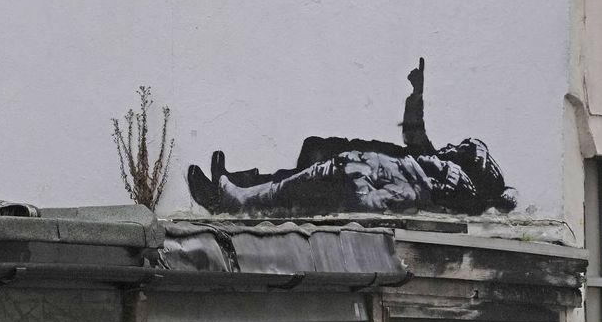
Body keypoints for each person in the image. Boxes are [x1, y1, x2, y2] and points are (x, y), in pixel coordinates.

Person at [187, 58, 518, 216]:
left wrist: (366, 188)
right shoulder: (441, 164)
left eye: (459, 149)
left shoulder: (453, 181)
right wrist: (415, 95)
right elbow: (415, 136)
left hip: (369, 175)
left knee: (299, 185)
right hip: (368, 163)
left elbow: (409, 193)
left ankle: (226, 198)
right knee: (312, 151)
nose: (452, 147)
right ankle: (234, 184)